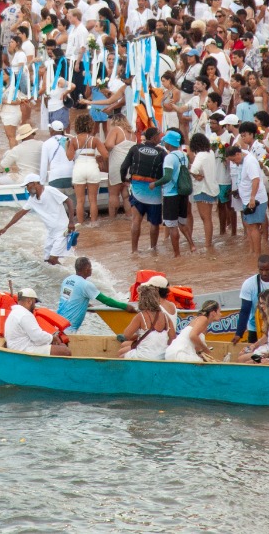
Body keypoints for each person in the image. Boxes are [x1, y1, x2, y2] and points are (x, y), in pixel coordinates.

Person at [0, 176, 75, 265]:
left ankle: (67, 275)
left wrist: (71, 222)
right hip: (51, 232)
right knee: (47, 261)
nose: (27, 189)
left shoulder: (50, 190)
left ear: (35, 183)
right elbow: (20, 213)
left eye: (27, 186)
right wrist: (5, 228)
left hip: (62, 230)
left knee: (52, 259)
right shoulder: (32, 199)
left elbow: (69, 201)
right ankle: (65, 274)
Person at [121, 126, 167, 256]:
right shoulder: (161, 152)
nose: (160, 137)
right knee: (154, 223)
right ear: (153, 138)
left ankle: (134, 250)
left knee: (136, 220)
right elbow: (167, 171)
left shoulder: (135, 148)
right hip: (155, 193)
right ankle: (153, 249)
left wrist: (124, 179)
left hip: (137, 191)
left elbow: (124, 166)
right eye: (159, 135)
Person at [56, 255, 130, 330]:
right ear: (86, 269)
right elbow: (107, 301)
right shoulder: (86, 285)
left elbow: (69, 298)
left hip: (58, 323)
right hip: (69, 328)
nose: (91, 269)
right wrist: (125, 306)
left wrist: (85, 305)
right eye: (90, 267)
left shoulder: (67, 280)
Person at [3, 287, 70, 355]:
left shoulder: (14, 312)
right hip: (23, 349)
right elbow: (37, 338)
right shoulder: (25, 315)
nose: (34, 306)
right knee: (65, 351)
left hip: (17, 347)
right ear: (29, 301)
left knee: (60, 346)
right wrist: (52, 338)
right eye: (34, 303)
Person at [117, 283, 175, 360]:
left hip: (144, 356)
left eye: (139, 297)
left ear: (142, 299)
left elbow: (126, 335)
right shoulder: (165, 316)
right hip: (162, 356)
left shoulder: (141, 316)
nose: (137, 299)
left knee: (121, 355)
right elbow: (172, 338)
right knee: (126, 349)